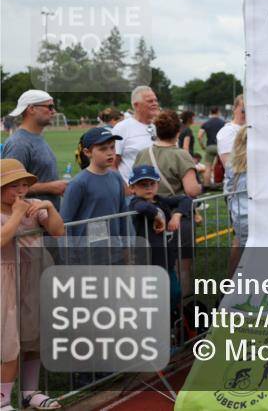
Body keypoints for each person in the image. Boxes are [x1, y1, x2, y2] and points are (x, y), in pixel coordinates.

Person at [1, 159, 65, 411]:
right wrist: (16, 214)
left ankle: (30, 391)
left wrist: (48, 207)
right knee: (10, 342)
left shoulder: (32, 207)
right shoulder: (13, 212)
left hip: (35, 276)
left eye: (24, 185)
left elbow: (58, 231)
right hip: (7, 279)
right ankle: (3, 398)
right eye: (13, 185)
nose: (20, 190)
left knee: (34, 336)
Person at [134, 111, 201, 299]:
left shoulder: (142, 153)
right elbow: (191, 190)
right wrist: (202, 184)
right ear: (178, 131)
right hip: (176, 215)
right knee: (182, 268)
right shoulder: (181, 155)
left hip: (149, 217)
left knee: (154, 266)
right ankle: (182, 313)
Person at [128, 164, 193, 315]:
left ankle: (169, 322)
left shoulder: (160, 201)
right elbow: (144, 208)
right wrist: (159, 216)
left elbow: (186, 199)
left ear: (157, 185)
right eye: (143, 185)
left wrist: (177, 215)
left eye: (152, 184)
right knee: (153, 298)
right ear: (132, 188)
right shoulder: (135, 203)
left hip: (166, 258)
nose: (148, 188)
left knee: (175, 293)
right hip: (148, 262)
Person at [60, 129, 130, 248]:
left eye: (112, 147)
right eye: (103, 149)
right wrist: (69, 258)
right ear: (87, 152)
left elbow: (123, 215)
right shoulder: (78, 183)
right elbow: (66, 223)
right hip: (87, 254)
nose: (110, 153)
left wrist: (127, 247)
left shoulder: (117, 177)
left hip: (114, 250)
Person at [2, 90, 67, 210]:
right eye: (50, 106)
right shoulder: (18, 143)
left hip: (44, 221)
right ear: (31, 109)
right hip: (29, 224)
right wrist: (51, 187)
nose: (54, 111)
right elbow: (9, 188)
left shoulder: (37, 137)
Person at [111, 86, 160, 185]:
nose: (155, 104)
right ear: (136, 105)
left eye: (155, 100)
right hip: (132, 194)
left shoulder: (160, 126)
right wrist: (125, 189)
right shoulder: (122, 128)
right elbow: (112, 164)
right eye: (150, 101)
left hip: (160, 192)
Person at [223, 126, 249, 278]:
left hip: (239, 216)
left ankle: (229, 288)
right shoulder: (262, 163)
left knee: (239, 249)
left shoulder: (232, 163)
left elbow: (228, 189)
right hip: (255, 217)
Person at [197, 107, 225, 185]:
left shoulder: (206, 123)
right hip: (220, 147)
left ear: (211, 112)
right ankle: (221, 183)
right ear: (218, 112)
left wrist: (202, 146)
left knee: (208, 167)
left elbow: (199, 136)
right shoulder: (223, 123)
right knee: (223, 166)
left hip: (210, 147)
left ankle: (206, 185)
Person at [217, 95, 245, 169]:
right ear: (234, 109)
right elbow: (229, 165)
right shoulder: (228, 131)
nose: (246, 114)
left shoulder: (250, 129)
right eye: (243, 111)